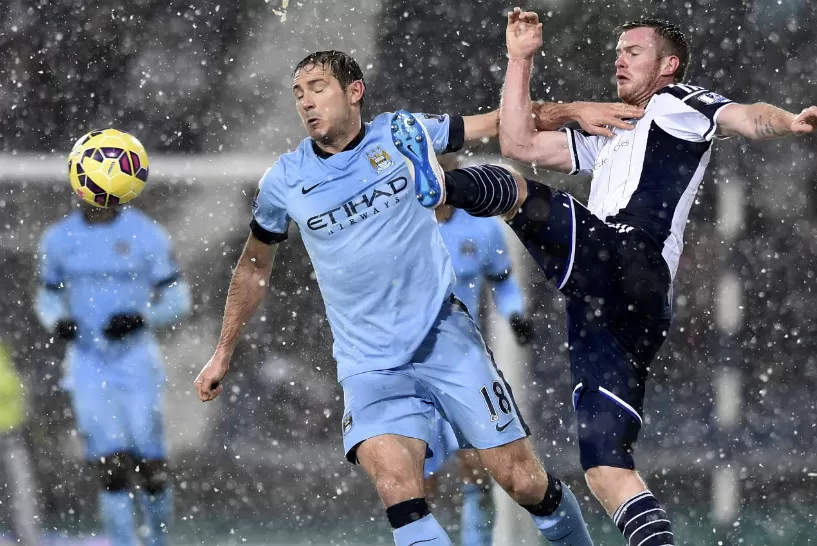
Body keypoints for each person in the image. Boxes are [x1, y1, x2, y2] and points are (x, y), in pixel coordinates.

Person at [393, 8, 817, 546]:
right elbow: (518, 141)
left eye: (634, 52)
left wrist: (791, 120)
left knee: (516, 192)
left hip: (631, 259)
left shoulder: (677, 103)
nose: (620, 59)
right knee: (606, 469)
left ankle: (441, 186)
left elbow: (746, 116)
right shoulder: (613, 131)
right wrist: (520, 60)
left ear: (668, 64)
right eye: (618, 52)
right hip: (614, 305)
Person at [192, 50, 636, 546]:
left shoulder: (401, 133)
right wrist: (223, 351)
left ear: (354, 91)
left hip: (444, 339)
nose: (306, 102)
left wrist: (574, 110)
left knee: (523, 481)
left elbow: (499, 121)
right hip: (368, 366)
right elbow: (254, 265)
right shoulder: (285, 180)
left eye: (318, 87)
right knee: (401, 492)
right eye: (298, 93)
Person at [35, 203, 192, 546]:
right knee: (111, 465)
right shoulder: (59, 238)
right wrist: (58, 320)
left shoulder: (148, 233)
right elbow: (47, 297)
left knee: (150, 465)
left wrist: (142, 317)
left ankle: (158, 542)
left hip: (136, 362)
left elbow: (178, 298)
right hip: (88, 363)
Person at [425, 156, 535, 546]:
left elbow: (502, 280)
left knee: (477, 472)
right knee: (415, 484)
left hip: (463, 366)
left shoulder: (483, 228)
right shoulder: (401, 227)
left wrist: (516, 313)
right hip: (411, 368)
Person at [0, 340, 41, 546]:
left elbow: (19, 389)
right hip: (11, 432)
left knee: (22, 489)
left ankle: (27, 538)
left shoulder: (8, 348)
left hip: (12, 433)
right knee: (21, 488)